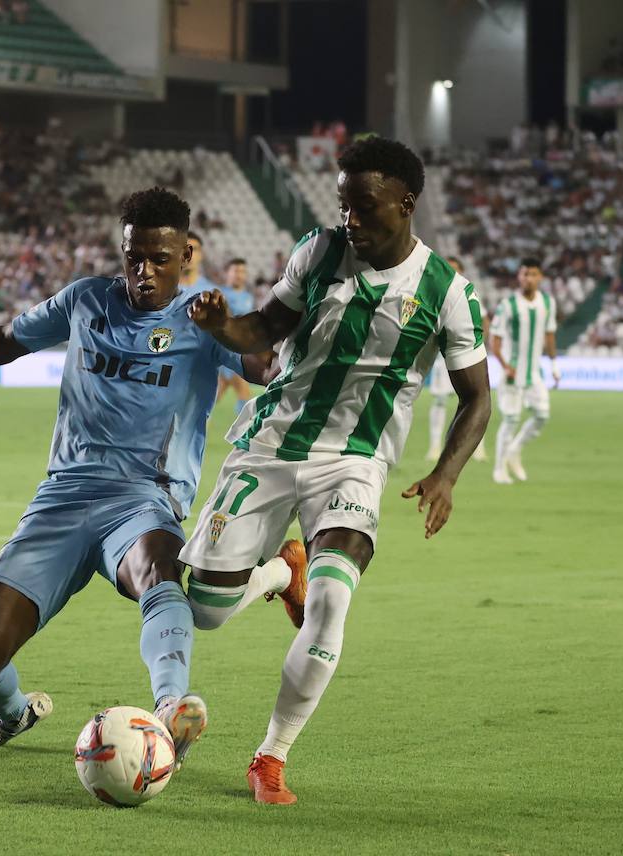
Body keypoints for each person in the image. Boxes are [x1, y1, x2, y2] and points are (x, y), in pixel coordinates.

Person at [0, 187, 269, 765]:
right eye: (132, 256)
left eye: (158, 260)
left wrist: (229, 331)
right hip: (62, 497)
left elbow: (268, 368)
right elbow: (2, 341)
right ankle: (14, 712)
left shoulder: (204, 320)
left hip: (143, 498)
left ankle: (171, 709)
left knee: (158, 569)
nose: (143, 271)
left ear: (186, 257)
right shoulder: (86, 300)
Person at [182, 137, 491, 805]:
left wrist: (445, 474)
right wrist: (220, 327)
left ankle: (271, 755)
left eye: (364, 205)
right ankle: (273, 572)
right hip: (270, 444)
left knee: (329, 607)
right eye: (344, 203)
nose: (350, 217)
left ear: (405, 203)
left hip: (355, 462)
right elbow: (264, 328)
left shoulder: (447, 291)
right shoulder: (319, 251)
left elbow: (477, 396)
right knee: (204, 609)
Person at [490, 258, 559, 484]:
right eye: (525, 274)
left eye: (533, 274)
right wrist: (505, 365)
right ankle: (499, 469)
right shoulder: (508, 304)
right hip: (512, 373)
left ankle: (514, 450)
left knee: (542, 415)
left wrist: (554, 364)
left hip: (534, 372)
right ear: (519, 277)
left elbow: (549, 335)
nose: (528, 278)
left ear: (540, 277)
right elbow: (495, 339)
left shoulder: (548, 303)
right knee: (511, 419)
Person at [425, 256, 489, 463]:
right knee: (441, 400)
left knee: (475, 398)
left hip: (464, 355)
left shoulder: (467, 294)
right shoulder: (433, 294)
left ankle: (477, 447)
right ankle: (435, 445)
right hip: (440, 359)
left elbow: (484, 319)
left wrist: (478, 345)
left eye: (455, 269)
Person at [214, 257, 261, 414]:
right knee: (245, 395)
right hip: (225, 352)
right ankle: (247, 434)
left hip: (240, 351)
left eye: (242, 271)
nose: (239, 275)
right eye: (236, 271)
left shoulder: (247, 297)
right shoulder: (219, 294)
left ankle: (192, 426)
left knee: (216, 396)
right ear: (227, 273)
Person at [179, 231, 219, 296]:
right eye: (184, 249)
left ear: (201, 254)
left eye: (194, 249)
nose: (189, 254)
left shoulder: (211, 291)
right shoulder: (163, 289)